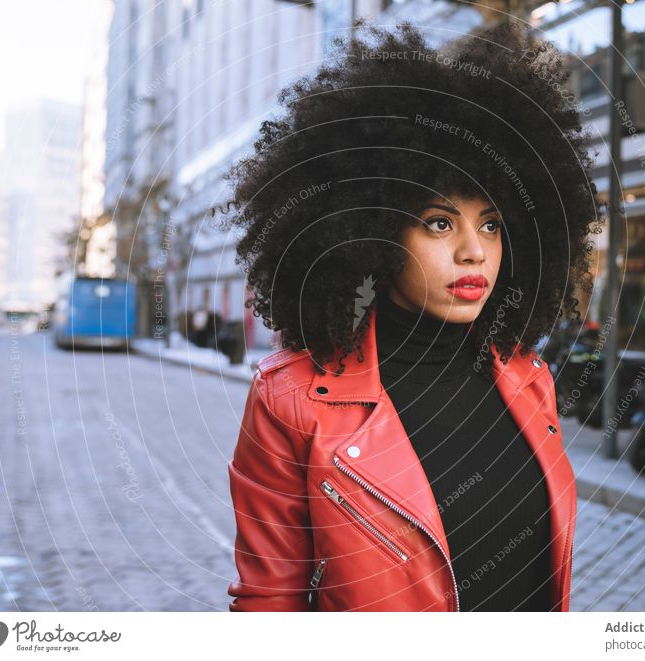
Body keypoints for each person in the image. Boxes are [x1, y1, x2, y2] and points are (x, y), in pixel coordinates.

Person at [219, 19, 602, 612]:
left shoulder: (531, 381)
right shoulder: (290, 401)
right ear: (372, 228)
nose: (474, 249)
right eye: (440, 222)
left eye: (493, 224)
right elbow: (269, 600)